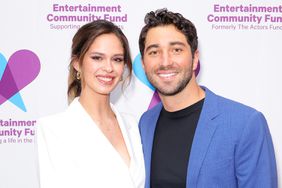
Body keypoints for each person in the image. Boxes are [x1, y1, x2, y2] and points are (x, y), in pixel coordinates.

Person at [138, 8, 277, 188]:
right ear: (143, 63)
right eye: (154, 52)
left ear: (195, 58)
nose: (165, 62)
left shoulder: (246, 123)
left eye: (176, 50)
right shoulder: (146, 122)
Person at [36, 20, 145, 188]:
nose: (108, 68)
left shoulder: (133, 125)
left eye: (116, 59)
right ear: (77, 63)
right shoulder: (53, 129)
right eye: (97, 58)